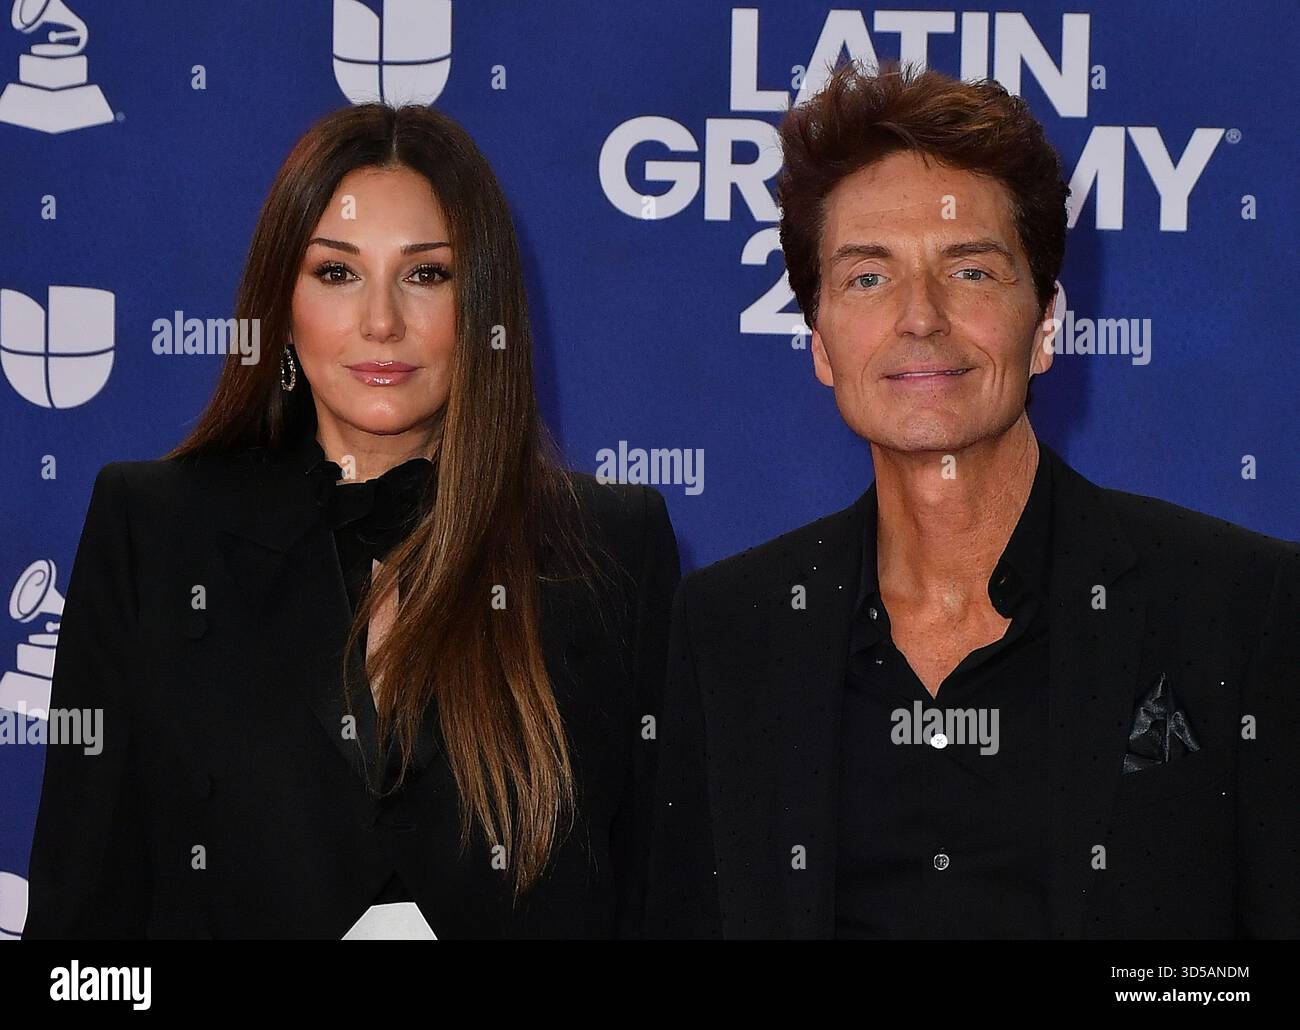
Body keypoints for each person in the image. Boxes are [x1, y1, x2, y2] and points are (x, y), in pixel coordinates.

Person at [645, 61, 1300, 939]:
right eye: (868, 278)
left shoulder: (1240, 608)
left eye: (971, 271)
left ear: (1048, 324)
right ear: (820, 345)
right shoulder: (729, 631)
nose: (920, 318)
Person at [24, 103, 679, 939]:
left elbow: (662, 896)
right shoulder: (153, 531)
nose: (381, 322)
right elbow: (82, 922)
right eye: (337, 273)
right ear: (281, 305)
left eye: (426, 274)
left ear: (481, 309)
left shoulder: (611, 546)